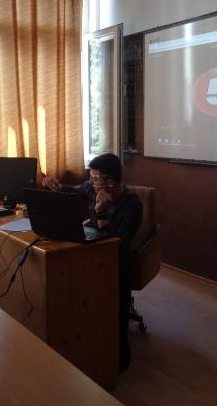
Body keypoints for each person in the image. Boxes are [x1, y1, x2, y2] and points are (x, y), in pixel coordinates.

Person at [41, 153, 142, 371]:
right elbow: (75, 190)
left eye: (95, 178)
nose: (90, 182)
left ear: (110, 182)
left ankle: (120, 359)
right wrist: (58, 186)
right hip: (89, 253)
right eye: (91, 177)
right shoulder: (91, 188)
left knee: (115, 315)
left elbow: (118, 244)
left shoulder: (132, 205)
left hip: (116, 264)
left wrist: (101, 213)